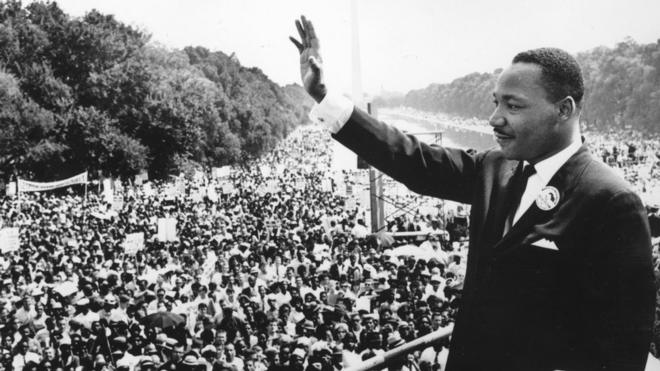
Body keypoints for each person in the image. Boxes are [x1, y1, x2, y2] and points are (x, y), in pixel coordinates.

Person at [290, 16, 655, 370]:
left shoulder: (611, 201)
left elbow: (623, 349)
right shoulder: (494, 167)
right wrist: (324, 96)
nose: (495, 118)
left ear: (564, 110)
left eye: (512, 106)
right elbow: (412, 160)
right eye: (495, 102)